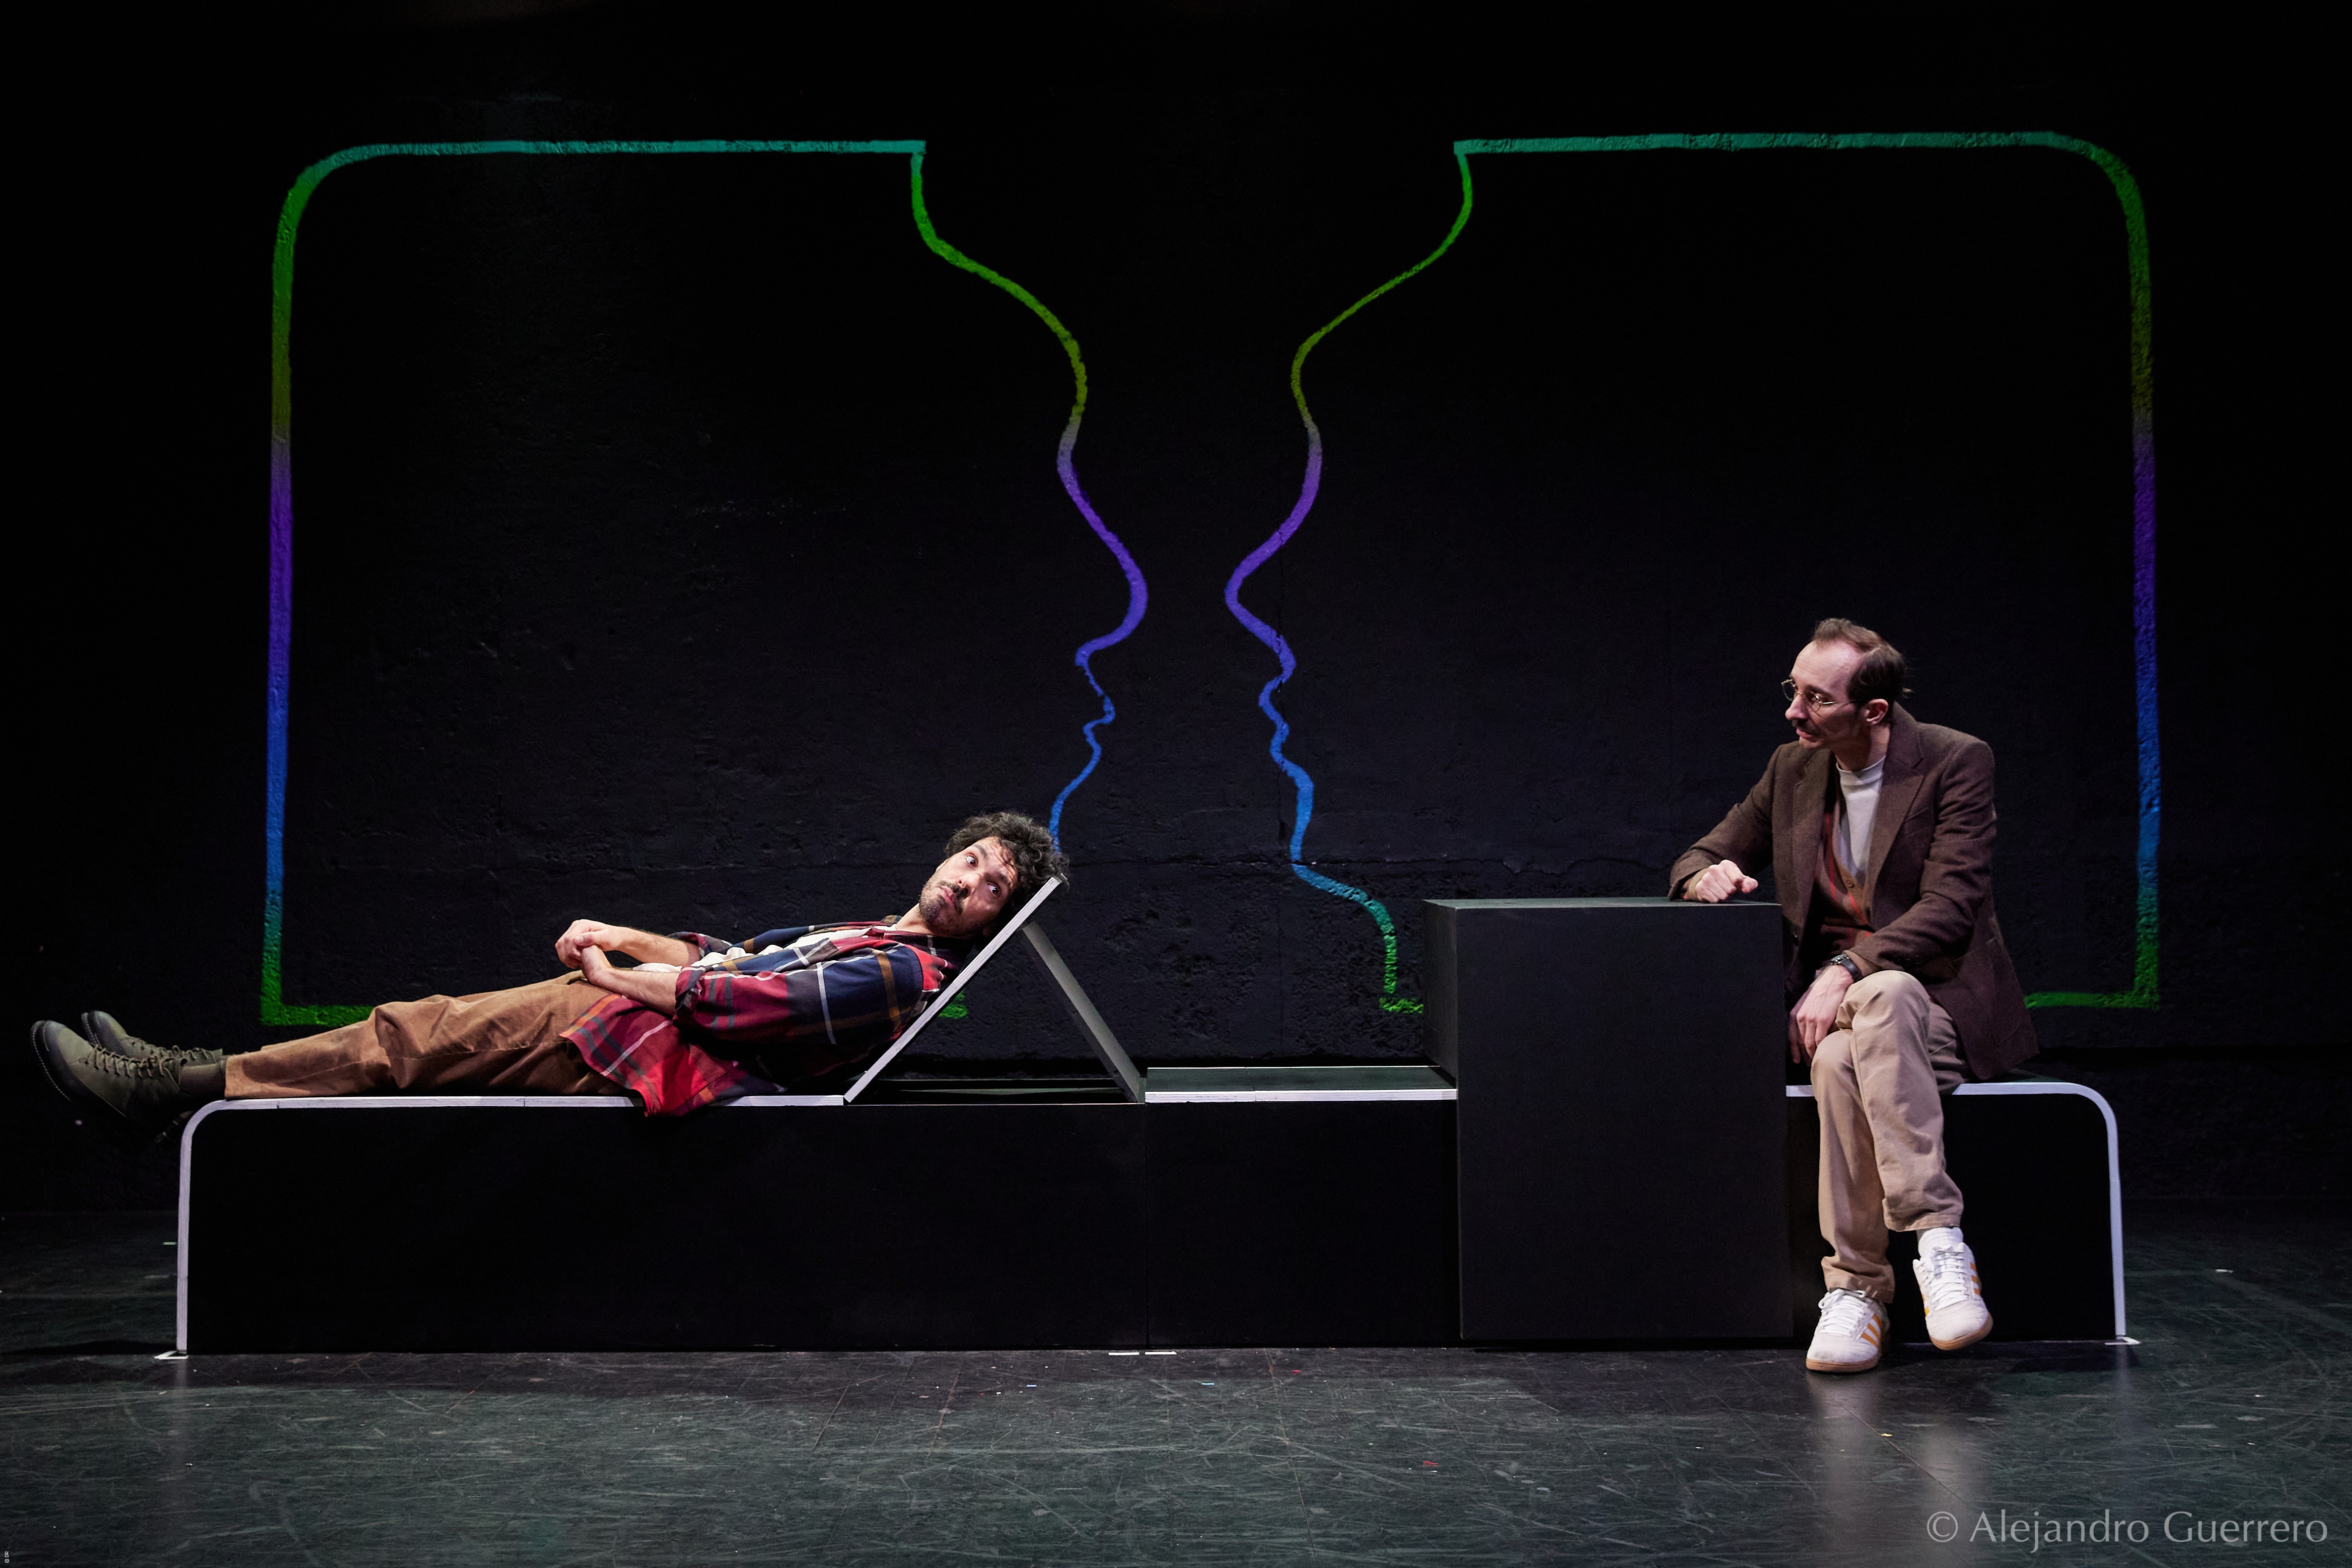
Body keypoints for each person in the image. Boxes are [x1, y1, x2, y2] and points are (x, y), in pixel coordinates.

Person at [33, 811, 1067, 1129]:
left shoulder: (905, 975)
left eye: (994, 885)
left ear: (994, 920)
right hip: (631, 1018)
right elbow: (723, 956)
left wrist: (613, 978)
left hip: (645, 1046)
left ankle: (167, 1085)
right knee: (419, 1031)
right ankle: (181, 1074)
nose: (971, 878)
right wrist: (620, 933)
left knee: (411, 1037)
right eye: (976, 857)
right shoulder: (868, 933)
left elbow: (738, 1002)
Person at [1672, 621, 2036, 1374]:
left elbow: (1951, 906)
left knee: (1874, 1010)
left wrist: (1845, 969)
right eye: (1792, 690)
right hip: (1843, 1012)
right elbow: (1701, 852)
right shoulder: (1793, 768)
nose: (1792, 711)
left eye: (1815, 698)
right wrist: (1704, 875)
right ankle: (1925, 1258)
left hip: (1935, 1000)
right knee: (1846, 1049)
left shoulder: (1954, 760)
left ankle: (1875, 1276)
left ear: (1873, 710)